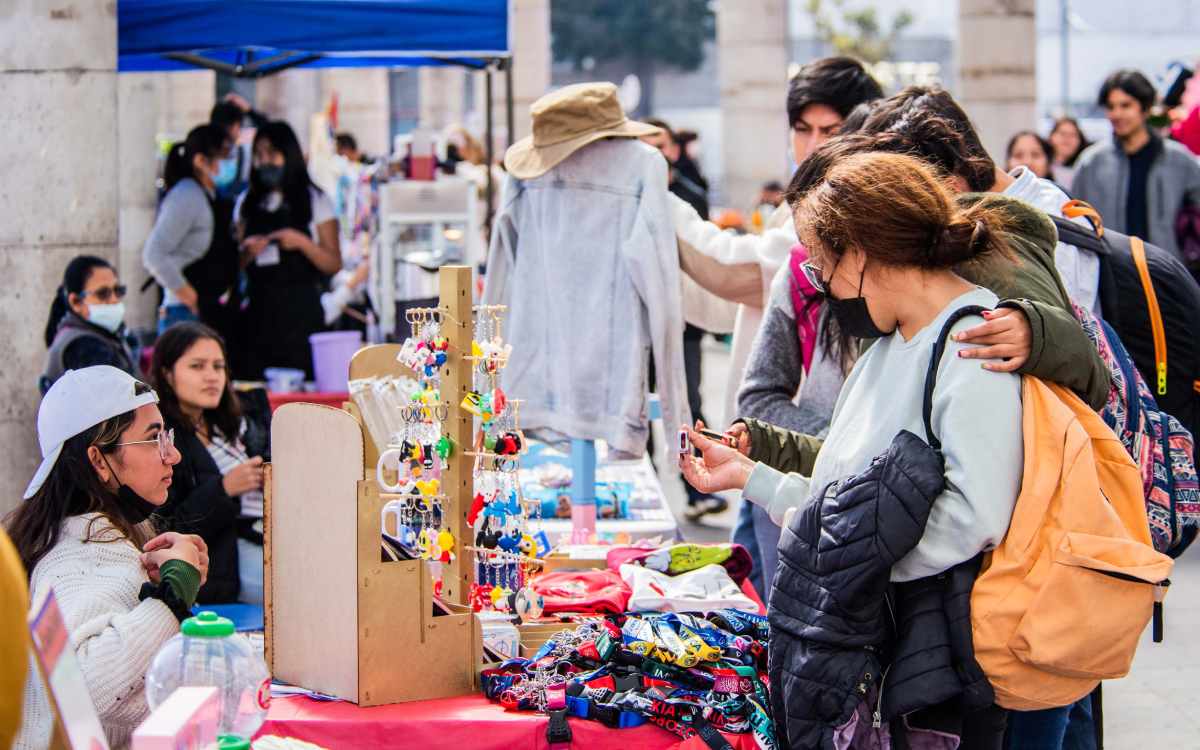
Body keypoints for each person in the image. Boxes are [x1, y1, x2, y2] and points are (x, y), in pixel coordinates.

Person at [682, 152, 1022, 748]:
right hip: (877, 647)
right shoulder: (890, 348)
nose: (823, 285)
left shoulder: (972, 342)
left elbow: (975, 518)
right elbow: (842, 504)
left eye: (821, 265)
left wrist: (847, 571)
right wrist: (750, 476)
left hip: (926, 671)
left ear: (860, 253)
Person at [668, 56, 884, 591]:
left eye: (831, 131)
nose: (814, 145)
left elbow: (733, 275)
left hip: (821, 478)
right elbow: (753, 373)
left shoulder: (856, 232)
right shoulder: (800, 229)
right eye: (803, 130)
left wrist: (655, 202)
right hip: (782, 462)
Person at [6, 366, 208, 749]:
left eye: (167, 436)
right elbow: (81, 684)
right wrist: (174, 592)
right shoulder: (78, 555)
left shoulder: (91, 538)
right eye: (153, 440)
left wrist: (171, 582)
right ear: (99, 460)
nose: (173, 455)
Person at [642, 118, 725, 518]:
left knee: (689, 405)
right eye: (645, 144)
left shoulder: (690, 196)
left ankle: (696, 487)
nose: (655, 152)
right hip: (638, 326)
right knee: (638, 408)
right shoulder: (630, 196)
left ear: (674, 149)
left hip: (685, 324)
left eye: (661, 143)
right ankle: (645, 489)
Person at [151, 323, 268, 604]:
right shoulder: (160, 440)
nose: (212, 377)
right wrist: (224, 489)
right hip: (222, 566)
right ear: (167, 374)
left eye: (218, 366)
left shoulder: (233, 421)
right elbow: (164, 529)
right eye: (197, 366)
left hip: (270, 537)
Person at [235, 120, 341, 380]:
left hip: (301, 314)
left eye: (272, 153)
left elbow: (333, 262)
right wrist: (247, 253)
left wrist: (301, 243)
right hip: (259, 314)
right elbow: (233, 266)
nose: (264, 161)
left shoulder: (315, 200)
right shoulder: (246, 202)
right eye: (259, 155)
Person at [1074, 69, 1200, 259]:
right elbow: (1074, 221)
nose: (1117, 114)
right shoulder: (1091, 163)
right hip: (1110, 276)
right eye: (1111, 106)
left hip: (1168, 276)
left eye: (1125, 105)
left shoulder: (1180, 161)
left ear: (1145, 108)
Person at [142, 123, 235, 335]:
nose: (231, 163)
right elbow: (153, 254)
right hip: (184, 314)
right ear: (201, 161)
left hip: (205, 312)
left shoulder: (209, 195)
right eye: (224, 156)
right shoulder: (187, 196)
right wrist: (192, 299)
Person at [41, 255, 138, 394]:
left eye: (118, 290)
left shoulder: (106, 334)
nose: (114, 300)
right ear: (76, 302)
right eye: (103, 293)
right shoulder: (83, 346)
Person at [1048, 117, 1091, 189]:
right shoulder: (1041, 166)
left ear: (1080, 140)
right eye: (1062, 133)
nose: (1067, 138)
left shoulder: (1086, 170)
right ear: (1052, 137)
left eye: (1073, 135)